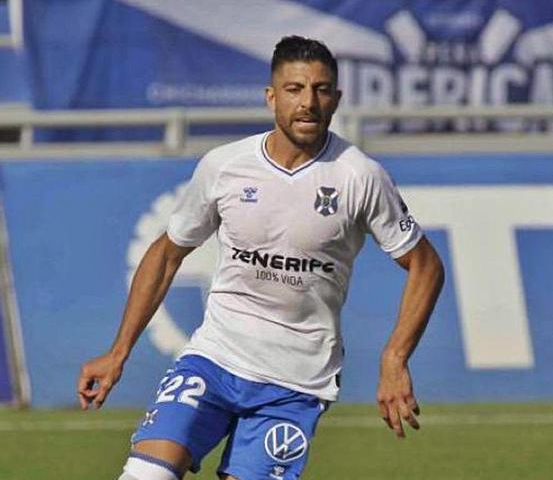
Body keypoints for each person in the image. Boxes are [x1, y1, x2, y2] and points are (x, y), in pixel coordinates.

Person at [77, 35, 445, 480]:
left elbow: (425, 265)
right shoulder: (225, 166)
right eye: (294, 89)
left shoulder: (360, 176)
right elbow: (166, 254)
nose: (308, 102)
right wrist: (118, 352)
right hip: (214, 359)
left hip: (295, 383)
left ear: (337, 98)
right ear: (272, 97)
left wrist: (394, 359)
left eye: (321, 89)